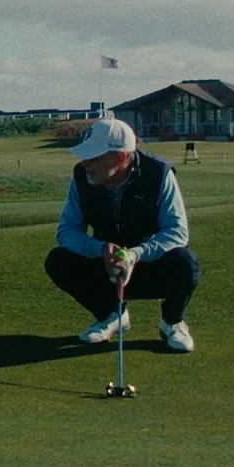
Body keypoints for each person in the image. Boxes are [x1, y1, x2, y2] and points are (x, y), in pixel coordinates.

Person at [46, 116, 199, 353]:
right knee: (58, 260)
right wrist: (101, 249)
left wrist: (135, 255)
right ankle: (112, 315)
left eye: (93, 157)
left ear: (120, 157)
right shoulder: (82, 177)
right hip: (106, 268)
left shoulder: (158, 174)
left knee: (185, 262)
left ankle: (172, 322)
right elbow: (67, 231)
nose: (85, 163)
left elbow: (176, 232)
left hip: (150, 266)